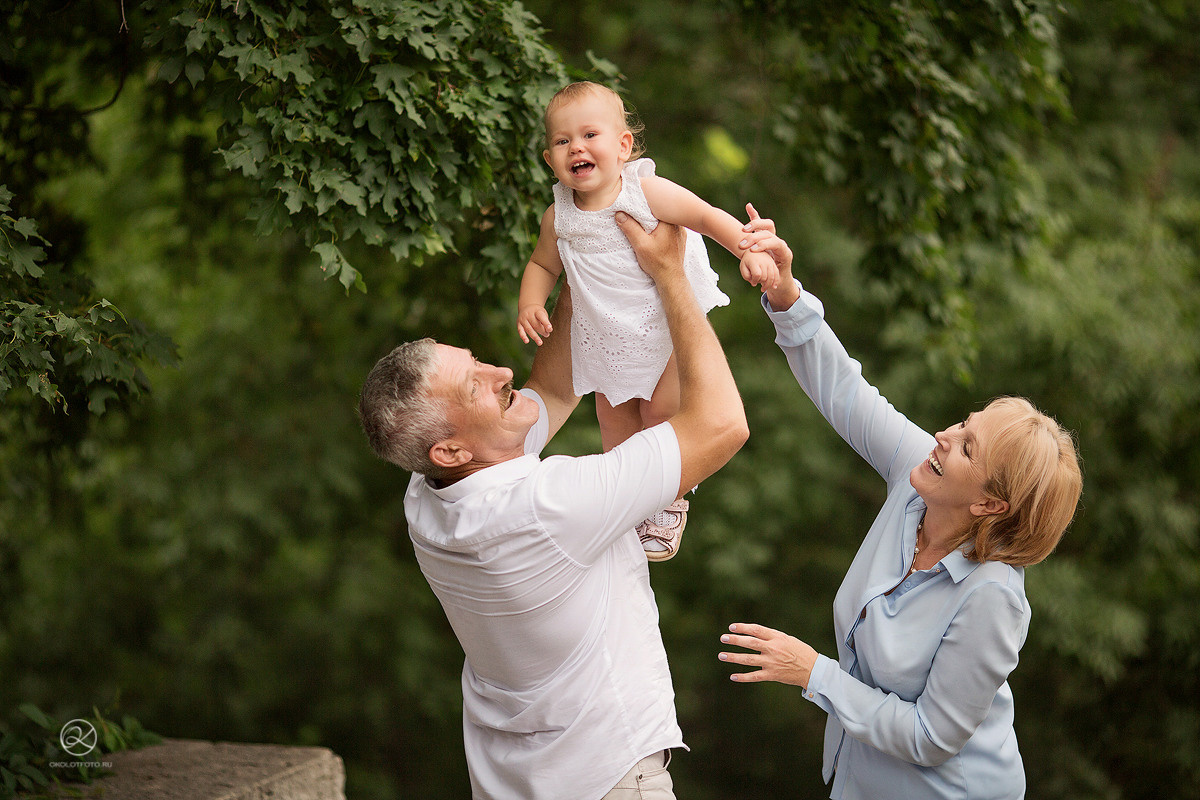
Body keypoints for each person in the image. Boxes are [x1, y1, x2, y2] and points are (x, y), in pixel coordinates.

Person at [359, 215, 750, 800]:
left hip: (514, 785)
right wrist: (670, 275)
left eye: (479, 361)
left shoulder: (428, 498)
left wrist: (584, 243)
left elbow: (557, 389)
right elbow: (722, 425)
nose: (502, 372)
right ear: (450, 447)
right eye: (476, 386)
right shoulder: (548, 507)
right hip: (612, 781)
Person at [716, 213, 1083, 799]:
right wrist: (784, 291)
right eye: (963, 422)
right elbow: (845, 391)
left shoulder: (991, 597)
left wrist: (814, 674)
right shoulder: (917, 474)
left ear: (991, 503)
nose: (943, 436)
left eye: (968, 446)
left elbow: (930, 736)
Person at [517, 81, 777, 561]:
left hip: (664, 331)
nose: (575, 146)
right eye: (561, 141)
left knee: (661, 414)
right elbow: (542, 265)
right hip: (607, 338)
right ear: (552, 160)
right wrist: (531, 302)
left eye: (589, 134)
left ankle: (670, 500)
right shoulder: (559, 217)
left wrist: (748, 250)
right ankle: (628, 509)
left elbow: (704, 216)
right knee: (614, 427)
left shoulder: (642, 189)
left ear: (623, 146)